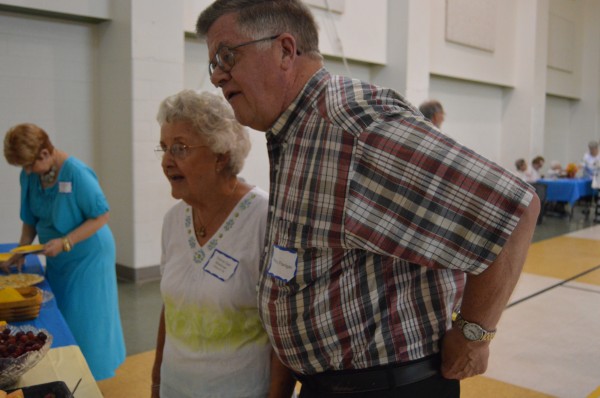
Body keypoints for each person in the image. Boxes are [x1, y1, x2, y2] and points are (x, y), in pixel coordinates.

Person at [196, 1, 540, 396]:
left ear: (285, 50)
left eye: (227, 56)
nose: (218, 77)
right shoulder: (294, 131)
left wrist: (475, 333)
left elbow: (513, 210)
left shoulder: (352, 125)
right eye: (212, 64)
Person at [151, 90, 294, 398]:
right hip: (175, 388)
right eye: (164, 148)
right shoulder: (173, 221)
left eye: (180, 148)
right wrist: (156, 382)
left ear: (221, 156)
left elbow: (283, 331)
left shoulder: (265, 221)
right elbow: (170, 308)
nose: (166, 161)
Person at [2, 123, 125, 380]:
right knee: (64, 314)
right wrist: (23, 248)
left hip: (89, 255)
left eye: (29, 165)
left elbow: (102, 215)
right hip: (57, 256)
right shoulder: (30, 175)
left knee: (87, 320)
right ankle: (68, 373)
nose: (26, 171)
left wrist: (66, 242)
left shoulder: (76, 173)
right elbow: (29, 219)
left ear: (45, 153)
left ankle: (92, 377)